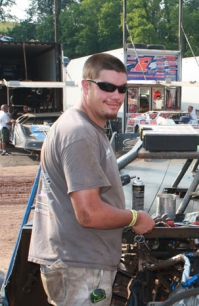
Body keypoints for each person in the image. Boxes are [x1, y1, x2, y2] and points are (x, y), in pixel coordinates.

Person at [28, 53, 156, 306]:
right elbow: (89, 214)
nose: (116, 95)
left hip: (78, 262)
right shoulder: (80, 134)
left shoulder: (85, 128)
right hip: (79, 266)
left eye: (122, 89)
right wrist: (134, 218)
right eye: (107, 87)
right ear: (86, 86)